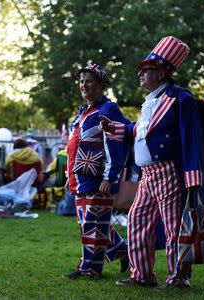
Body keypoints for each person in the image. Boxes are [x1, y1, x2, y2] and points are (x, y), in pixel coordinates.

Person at [100, 36, 203, 289]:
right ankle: (142, 275)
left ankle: (178, 278)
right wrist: (114, 127)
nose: (141, 75)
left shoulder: (181, 99)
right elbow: (139, 132)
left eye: (145, 71)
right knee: (137, 220)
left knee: (173, 228)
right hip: (147, 174)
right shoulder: (149, 102)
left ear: (161, 73)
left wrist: (193, 177)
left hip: (170, 171)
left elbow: (193, 139)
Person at [63, 62, 129, 279]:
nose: (83, 85)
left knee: (92, 223)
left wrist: (110, 177)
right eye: (81, 81)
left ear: (101, 84)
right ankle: (122, 250)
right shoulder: (83, 111)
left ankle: (89, 269)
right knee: (89, 223)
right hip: (80, 177)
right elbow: (75, 146)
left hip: (98, 177)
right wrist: (70, 175)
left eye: (89, 81)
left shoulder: (109, 109)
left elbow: (116, 143)